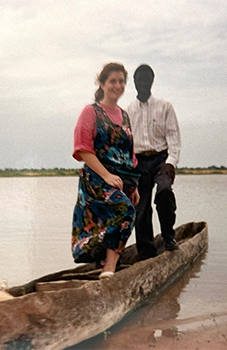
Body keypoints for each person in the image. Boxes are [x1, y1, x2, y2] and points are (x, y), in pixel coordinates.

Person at [71, 62, 141, 279]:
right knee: (126, 211)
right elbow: (83, 149)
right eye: (112, 81)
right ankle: (109, 267)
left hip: (120, 179)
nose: (117, 85)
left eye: (121, 81)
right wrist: (106, 175)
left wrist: (133, 187)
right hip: (97, 178)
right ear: (101, 83)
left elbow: (130, 155)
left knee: (126, 211)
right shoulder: (91, 112)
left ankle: (106, 263)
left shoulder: (125, 115)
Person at [126, 64, 182, 260]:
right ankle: (146, 252)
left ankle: (169, 238)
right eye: (139, 80)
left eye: (146, 79)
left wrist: (171, 163)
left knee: (164, 193)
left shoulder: (165, 106)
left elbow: (174, 138)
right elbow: (127, 144)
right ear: (134, 83)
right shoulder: (128, 112)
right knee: (141, 207)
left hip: (161, 160)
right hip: (138, 162)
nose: (142, 83)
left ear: (152, 81)